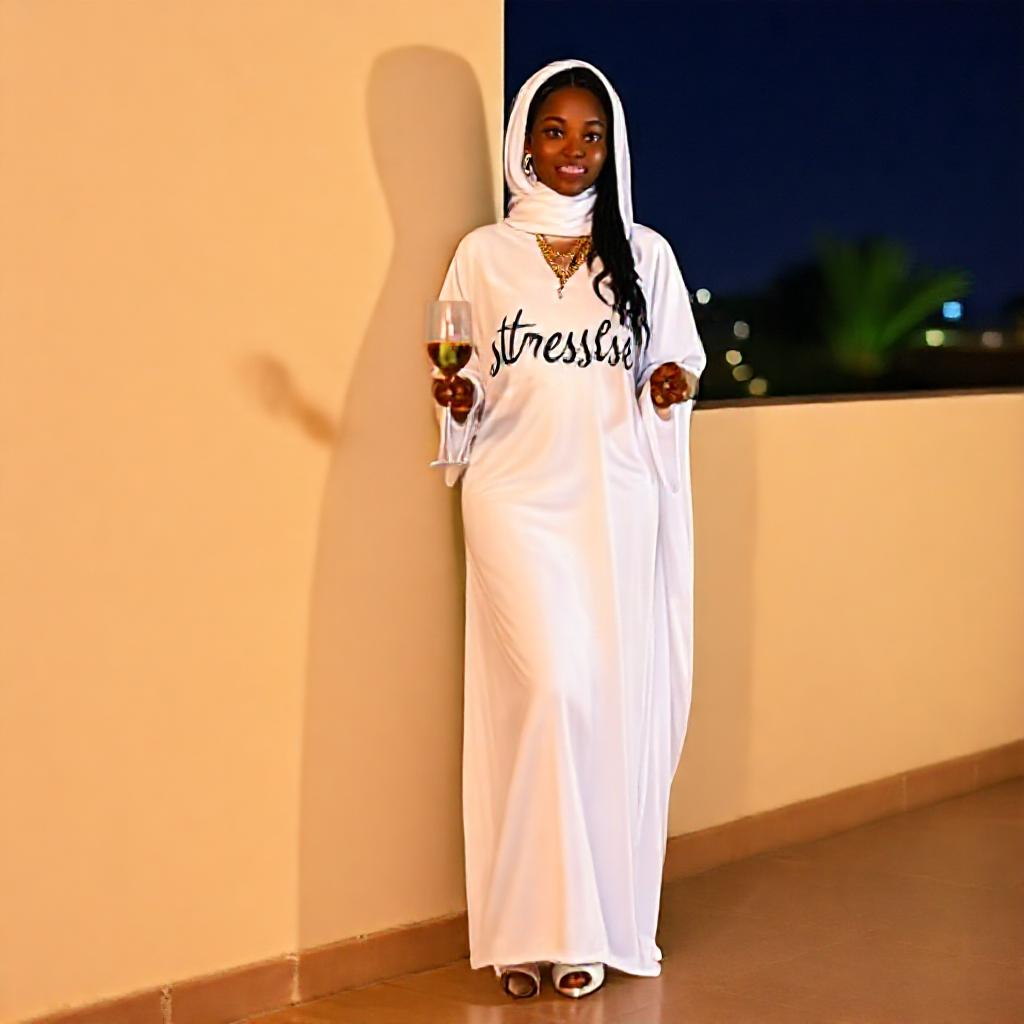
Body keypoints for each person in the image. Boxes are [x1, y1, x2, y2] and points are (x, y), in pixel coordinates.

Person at [429, 58, 706, 1000]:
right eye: (555, 131)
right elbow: (463, 377)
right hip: (512, 499)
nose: (573, 150)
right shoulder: (484, 254)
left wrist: (669, 385)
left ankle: (583, 927)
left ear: (612, 147)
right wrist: (457, 400)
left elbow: (677, 367)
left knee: (595, 705)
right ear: (524, 142)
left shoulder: (646, 254)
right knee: (545, 691)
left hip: (613, 506)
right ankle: (522, 926)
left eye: (592, 135)